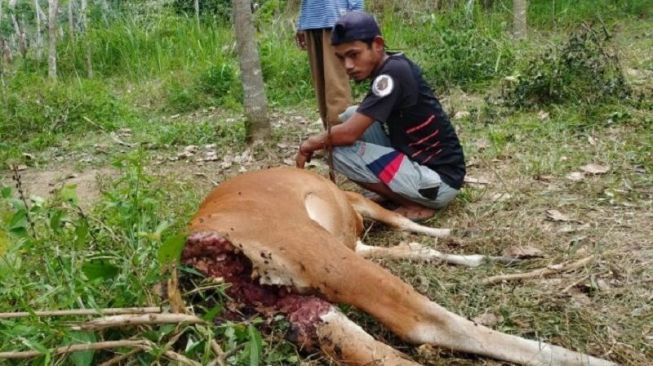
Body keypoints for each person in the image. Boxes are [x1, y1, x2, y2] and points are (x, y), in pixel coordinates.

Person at [295, 11, 465, 221]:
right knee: (351, 114)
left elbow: (348, 135)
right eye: (341, 58)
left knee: (337, 152)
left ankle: (413, 203)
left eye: (354, 54)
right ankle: (398, 191)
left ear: (377, 44)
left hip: (438, 183)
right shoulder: (393, 67)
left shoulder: (391, 76)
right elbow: (354, 124)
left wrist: (310, 144)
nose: (347, 65)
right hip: (427, 168)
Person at [295, 0, 364, 128]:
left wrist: (356, 21)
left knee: (336, 83)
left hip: (336, 22)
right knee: (320, 84)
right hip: (310, 23)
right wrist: (301, 24)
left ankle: (341, 133)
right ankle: (329, 133)